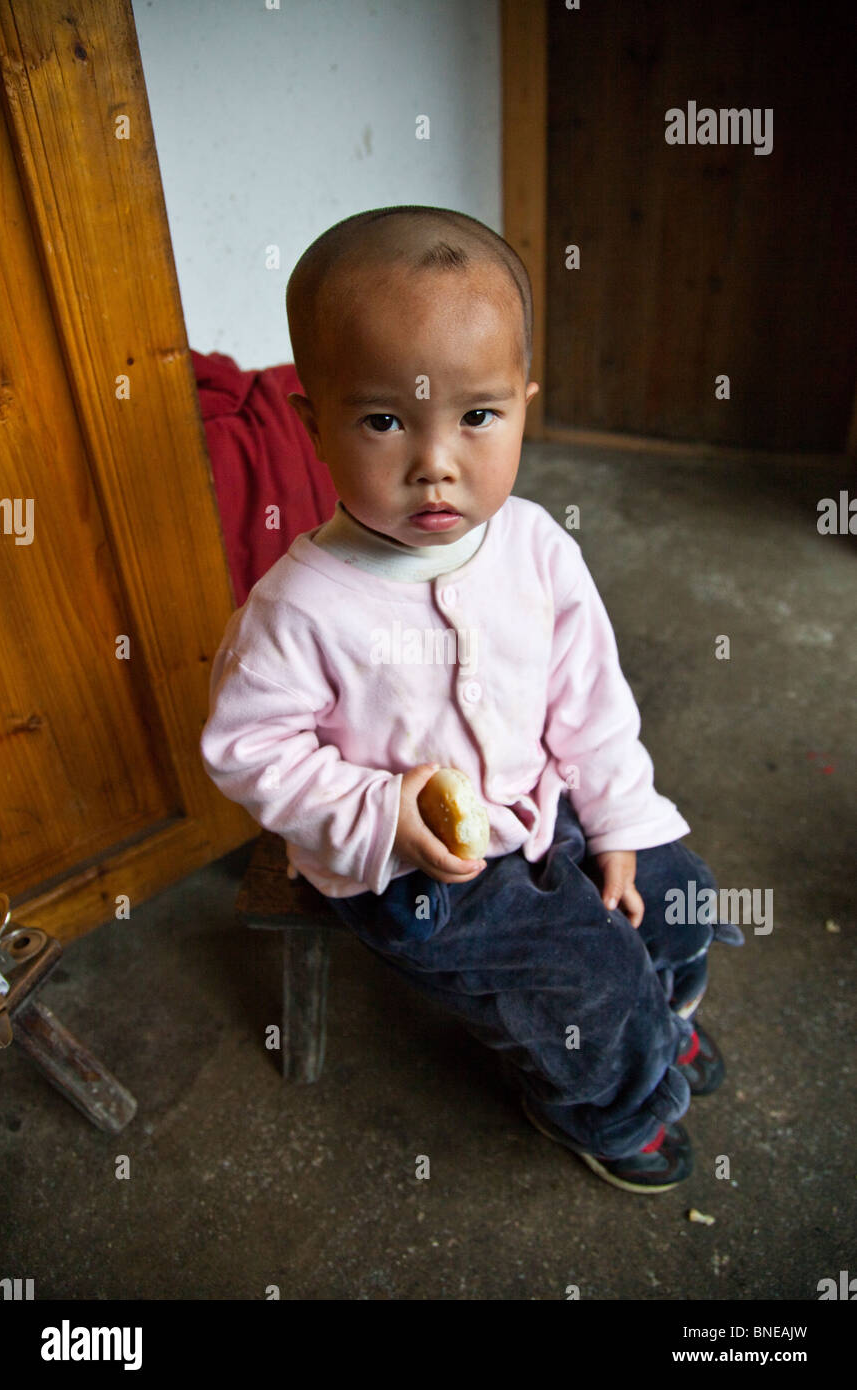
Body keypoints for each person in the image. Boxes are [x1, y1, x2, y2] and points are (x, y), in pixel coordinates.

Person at [200, 205, 742, 1193]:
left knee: (671, 889)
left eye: (477, 416)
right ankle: (607, 1104)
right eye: (383, 420)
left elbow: (589, 692)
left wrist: (618, 815)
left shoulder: (533, 543)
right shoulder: (301, 605)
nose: (435, 460)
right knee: (583, 977)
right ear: (315, 422)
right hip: (416, 871)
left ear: (524, 405)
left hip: (544, 796)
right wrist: (380, 813)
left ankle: (655, 1025)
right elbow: (248, 747)